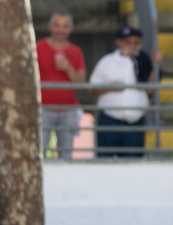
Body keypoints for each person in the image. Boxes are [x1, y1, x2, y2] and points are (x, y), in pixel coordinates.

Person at [88, 26, 159, 158]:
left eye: (136, 42)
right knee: (106, 163)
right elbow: (92, 89)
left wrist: (155, 66)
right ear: (119, 42)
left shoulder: (144, 61)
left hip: (135, 122)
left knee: (133, 166)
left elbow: (150, 89)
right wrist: (111, 87)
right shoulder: (106, 61)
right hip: (110, 120)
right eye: (128, 42)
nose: (132, 45)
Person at [37, 10, 86, 160]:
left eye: (65, 26)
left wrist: (68, 68)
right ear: (50, 26)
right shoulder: (37, 48)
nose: (61, 30)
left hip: (68, 110)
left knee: (66, 155)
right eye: (57, 25)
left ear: (71, 28)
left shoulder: (75, 52)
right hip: (43, 108)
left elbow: (81, 82)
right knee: (40, 153)